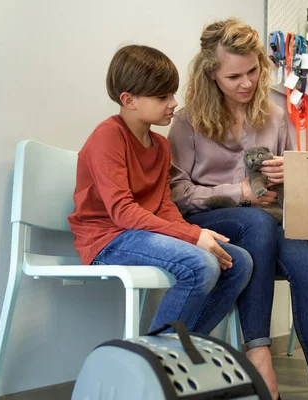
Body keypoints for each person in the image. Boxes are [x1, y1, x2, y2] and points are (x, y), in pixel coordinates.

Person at [168, 19, 308, 400]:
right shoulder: (185, 122)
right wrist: (240, 192)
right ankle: (259, 354)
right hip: (210, 222)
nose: (247, 83)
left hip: (268, 224)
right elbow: (178, 193)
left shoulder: (276, 116)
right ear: (211, 75)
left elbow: (291, 196)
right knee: (256, 222)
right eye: (234, 76)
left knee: (307, 260)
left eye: (253, 71)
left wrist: (290, 176)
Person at [68, 44, 253, 336]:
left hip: (140, 234)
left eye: (172, 94)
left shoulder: (161, 145)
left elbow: (164, 205)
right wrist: (193, 236)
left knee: (239, 262)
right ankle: (155, 358)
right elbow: (123, 212)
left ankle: (180, 348)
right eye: (162, 96)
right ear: (129, 100)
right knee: (201, 265)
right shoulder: (108, 137)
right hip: (106, 239)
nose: (174, 103)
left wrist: (191, 234)